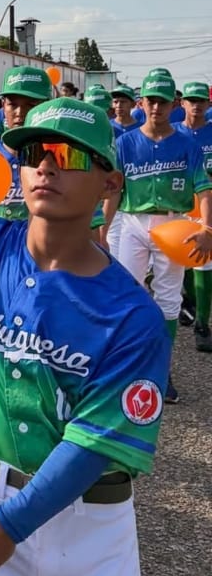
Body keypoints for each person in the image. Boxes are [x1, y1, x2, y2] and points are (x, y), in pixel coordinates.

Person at [0, 98, 171, 576]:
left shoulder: (132, 316)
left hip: (85, 524)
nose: (46, 165)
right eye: (36, 152)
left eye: (67, 154)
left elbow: (94, 444)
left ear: (109, 184)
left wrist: (10, 524)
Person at [103, 68, 212, 404]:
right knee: (127, 294)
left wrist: (207, 228)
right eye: (151, 100)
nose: (157, 107)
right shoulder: (125, 143)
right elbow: (113, 192)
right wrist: (101, 231)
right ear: (142, 101)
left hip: (174, 223)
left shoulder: (186, 143)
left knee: (168, 300)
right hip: (133, 222)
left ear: (173, 103)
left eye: (164, 101)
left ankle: (160, 371)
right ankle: (126, 366)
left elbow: (205, 188)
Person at [0, 66, 54, 220]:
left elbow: (89, 235)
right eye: (13, 104)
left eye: (31, 105)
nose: (20, 112)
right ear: (3, 105)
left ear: (48, 106)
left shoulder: (64, 160)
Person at [176, 81, 212, 351]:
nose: (197, 105)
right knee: (180, 262)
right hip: (178, 207)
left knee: (204, 262)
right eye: (192, 100)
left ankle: (202, 324)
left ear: (208, 104)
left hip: (207, 206)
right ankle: (187, 298)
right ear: (183, 104)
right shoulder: (173, 134)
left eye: (201, 100)